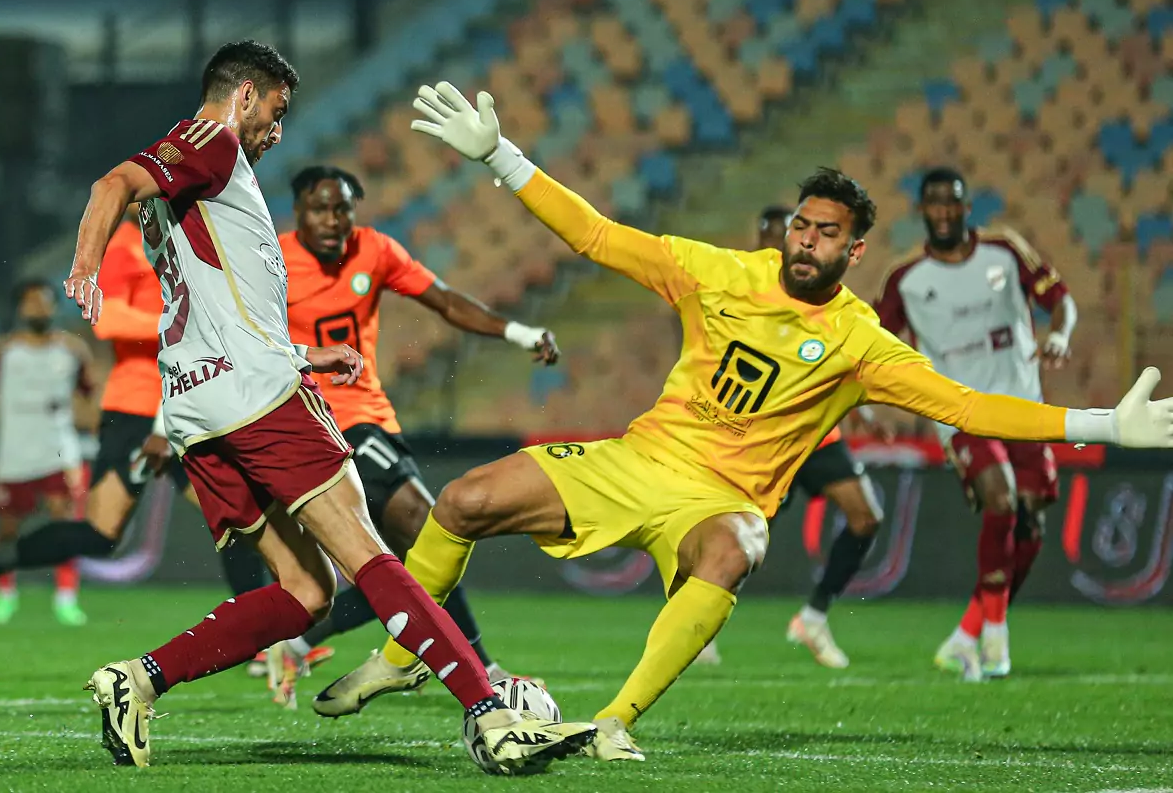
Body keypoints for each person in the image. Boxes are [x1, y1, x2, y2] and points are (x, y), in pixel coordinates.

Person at [312, 81, 1173, 762]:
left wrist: (1098, 421)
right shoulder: (718, 272)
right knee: (461, 499)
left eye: (825, 234)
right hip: (637, 457)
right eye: (800, 224)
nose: (804, 241)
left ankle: (613, 721)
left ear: (853, 251)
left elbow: (966, 405)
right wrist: (500, 155)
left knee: (735, 547)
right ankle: (401, 657)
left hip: (716, 499)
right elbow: (599, 237)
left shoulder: (858, 344)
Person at [0, 42, 595, 771]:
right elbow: (112, 184)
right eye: (276, 110)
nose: (277, 130)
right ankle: (490, 715)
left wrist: (298, 353)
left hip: (200, 413)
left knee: (303, 590)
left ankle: (137, 680)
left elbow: (212, 304)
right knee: (371, 553)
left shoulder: (201, 183)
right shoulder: (210, 142)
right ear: (242, 97)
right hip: (258, 403)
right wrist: (83, 268)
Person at [0, 210, 322, 674]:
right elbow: (107, 319)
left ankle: (268, 639)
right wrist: (182, 322)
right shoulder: (123, 245)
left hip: (192, 400)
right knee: (103, 535)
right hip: (138, 409)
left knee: (239, 517)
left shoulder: (187, 237)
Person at [267, 165, 559, 706]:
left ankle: (299, 643)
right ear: (298, 211)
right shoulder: (273, 260)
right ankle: (483, 670)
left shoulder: (374, 250)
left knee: (410, 564)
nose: (333, 221)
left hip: (366, 417)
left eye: (342, 209)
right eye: (319, 209)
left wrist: (518, 332)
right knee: (427, 529)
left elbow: (444, 300)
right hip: (313, 421)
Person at [875, 167, 1079, 681]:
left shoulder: (1005, 251)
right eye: (934, 203)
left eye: (953, 202)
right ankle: (995, 635)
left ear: (968, 208)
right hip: (961, 413)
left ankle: (967, 634)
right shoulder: (907, 280)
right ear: (922, 211)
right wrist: (865, 403)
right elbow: (873, 346)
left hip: (1025, 407)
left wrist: (1059, 334)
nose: (944, 212)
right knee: (1002, 498)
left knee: (1030, 525)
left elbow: (1062, 301)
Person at [700, 206, 892, 670]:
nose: (784, 243)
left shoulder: (819, 294)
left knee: (866, 516)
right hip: (762, 441)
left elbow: (840, 359)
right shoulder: (741, 288)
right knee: (740, 541)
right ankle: (698, 623)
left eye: (786, 234)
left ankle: (814, 616)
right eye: (773, 234)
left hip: (817, 436)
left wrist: (860, 411)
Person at [0, 279, 95, 626]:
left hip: (58, 450)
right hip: (14, 451)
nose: (38, 308)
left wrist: (97, 427)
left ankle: (66, 599)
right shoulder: (4, 350)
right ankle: (5, 595)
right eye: (30, 302)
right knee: (8, 528)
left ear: (54, 307)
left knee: (64, 523)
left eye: (44, 302)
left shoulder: (72, 350)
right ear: (20, 309)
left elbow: (90, 393)